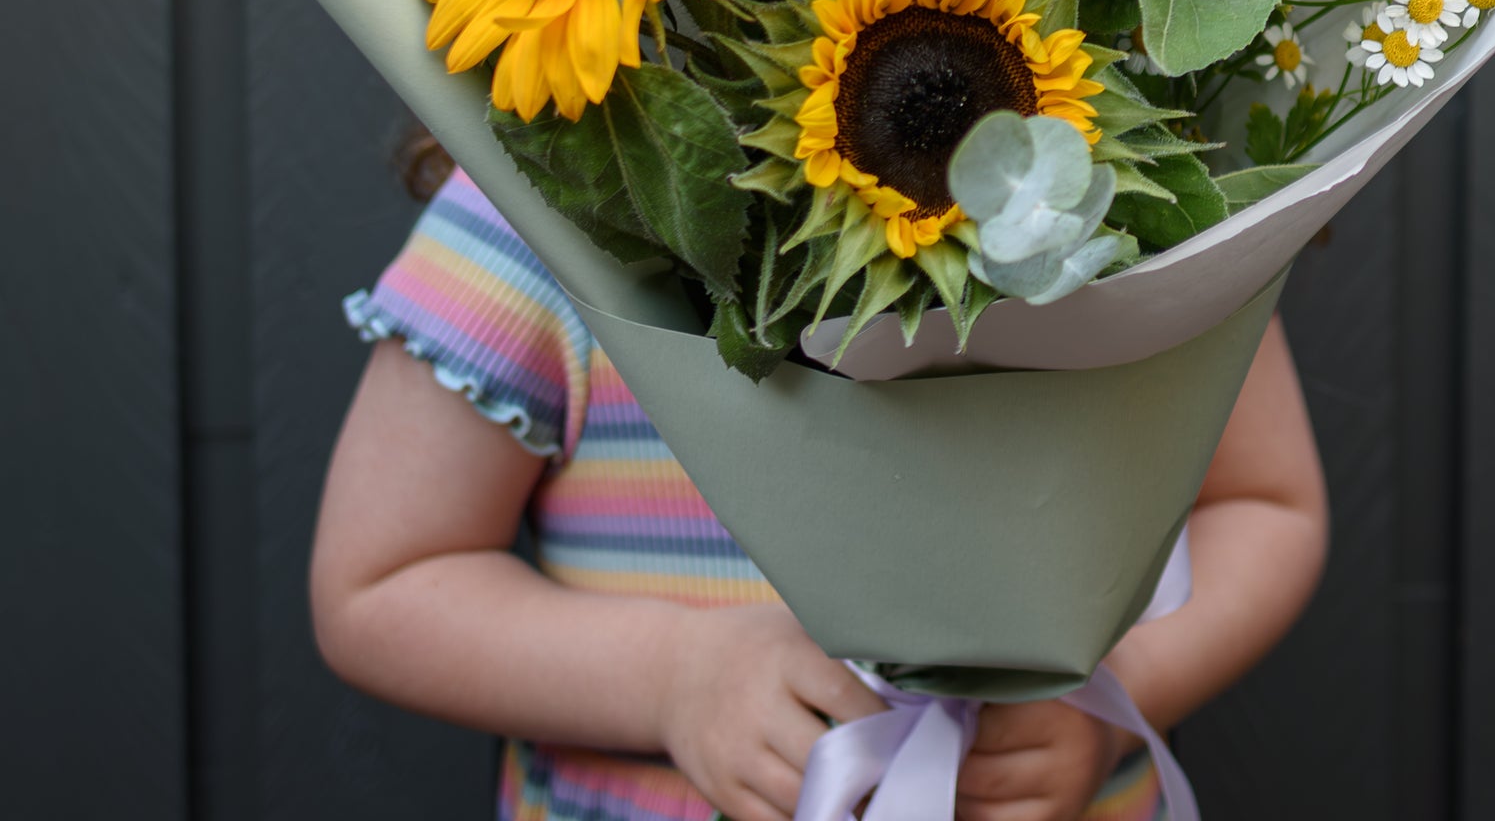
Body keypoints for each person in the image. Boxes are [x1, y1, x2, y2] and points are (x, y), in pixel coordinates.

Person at [311, 152, 1329, 821]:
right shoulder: (546, 196)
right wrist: (671, 676)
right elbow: (382, 579)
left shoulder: (1108, 190)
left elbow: (1262, 501)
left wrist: (1120, 693)